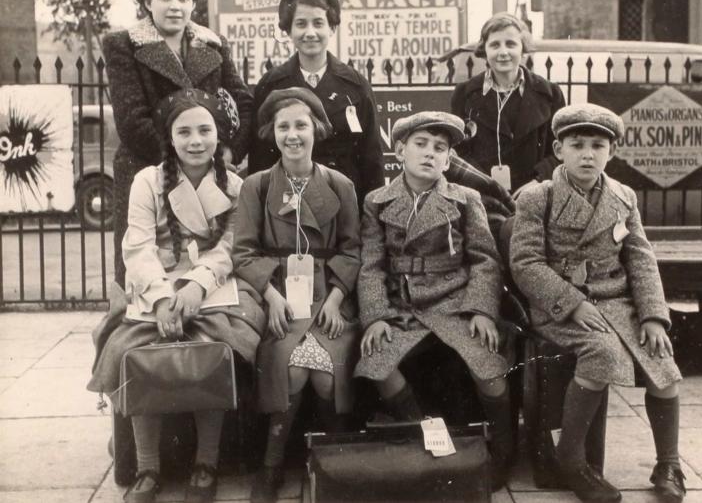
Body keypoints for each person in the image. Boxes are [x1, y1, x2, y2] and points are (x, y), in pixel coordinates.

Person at [87, 89, 266, 503]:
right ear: (170, 139)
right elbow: (136, 246)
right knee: (138, 352)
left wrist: (198, 285)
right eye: (184, 132)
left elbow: (230, 248)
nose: (195, 141)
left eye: (205, 131)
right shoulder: (147, 181)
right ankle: (147, 467)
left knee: (213, 350)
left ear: (218, 137)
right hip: (158, 286)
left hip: (210, 286)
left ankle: (206, 463)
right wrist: (163, 298)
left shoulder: (236, 186)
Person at [510, 104, 685, 503]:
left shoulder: (623, 196)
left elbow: (640, 258)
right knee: (602, 353)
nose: (588, 154)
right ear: (559, 150)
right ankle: (571, 458)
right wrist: (572, 303)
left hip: (617, 300)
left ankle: (669, 463)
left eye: (598, 145)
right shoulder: (539, 197)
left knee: (665, 366)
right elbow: (526, 263)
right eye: (577, 145)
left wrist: (654, 316)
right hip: (562, 307)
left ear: (612, 152)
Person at [354, 111, 514, 488]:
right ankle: (425, 435)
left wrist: (481, 310)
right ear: (399, 151)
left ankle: (504, 450)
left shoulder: (465, 198)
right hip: (402, 307)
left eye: (439, 148)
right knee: (376, 362)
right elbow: (372, 265)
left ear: (448, 159)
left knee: (487, 365)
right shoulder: (377, 201)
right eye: (420, 145)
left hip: (455, 303)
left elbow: (485, 260)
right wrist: (376, 315)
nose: (429, 154)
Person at [232, 88, 361, 503]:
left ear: (317, 130)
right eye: (283, 126)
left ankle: (333, 462)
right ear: (272, 133)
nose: (293, 135)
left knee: (326, 378)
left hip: (330, 298)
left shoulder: (340, 185)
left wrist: (339, 299)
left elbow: (353, 248)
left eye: (301, 125)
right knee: (290, 373)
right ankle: (271, 465)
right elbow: (244, 251)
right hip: (280, 296)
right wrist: (269, 296)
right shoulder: (256, 186)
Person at [104, 0, 252, 287]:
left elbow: (243, 101)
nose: (175, 6)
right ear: (147, 1)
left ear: (194, 4)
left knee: (210, 266)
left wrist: (227, 152)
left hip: (207, 172)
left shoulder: (213, 45)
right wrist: (185, 158)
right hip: (148, 171)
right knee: (145, 274)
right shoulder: (123, 45)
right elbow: (131, 121)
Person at [240, 0, 384, 206]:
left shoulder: (356, 86)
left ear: (332, 27)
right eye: (300, 24)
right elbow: (260, 157)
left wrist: (371, 218)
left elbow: (371, 158)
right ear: (288, 30)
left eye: (318, 23)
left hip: (344, 203)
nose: (310, 33)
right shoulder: (272, 84)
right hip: (287, 203)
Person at [450, 12, 565, 198]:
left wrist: (538, 182)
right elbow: (459, 151)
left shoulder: (550, 93)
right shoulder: (464, 94)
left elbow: (561, 149)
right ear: (484, 49)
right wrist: (486, 185)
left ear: (522, 48)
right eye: (495, 45)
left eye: (511, 44)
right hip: (482, 196)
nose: (503, 52)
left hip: (536, 195)